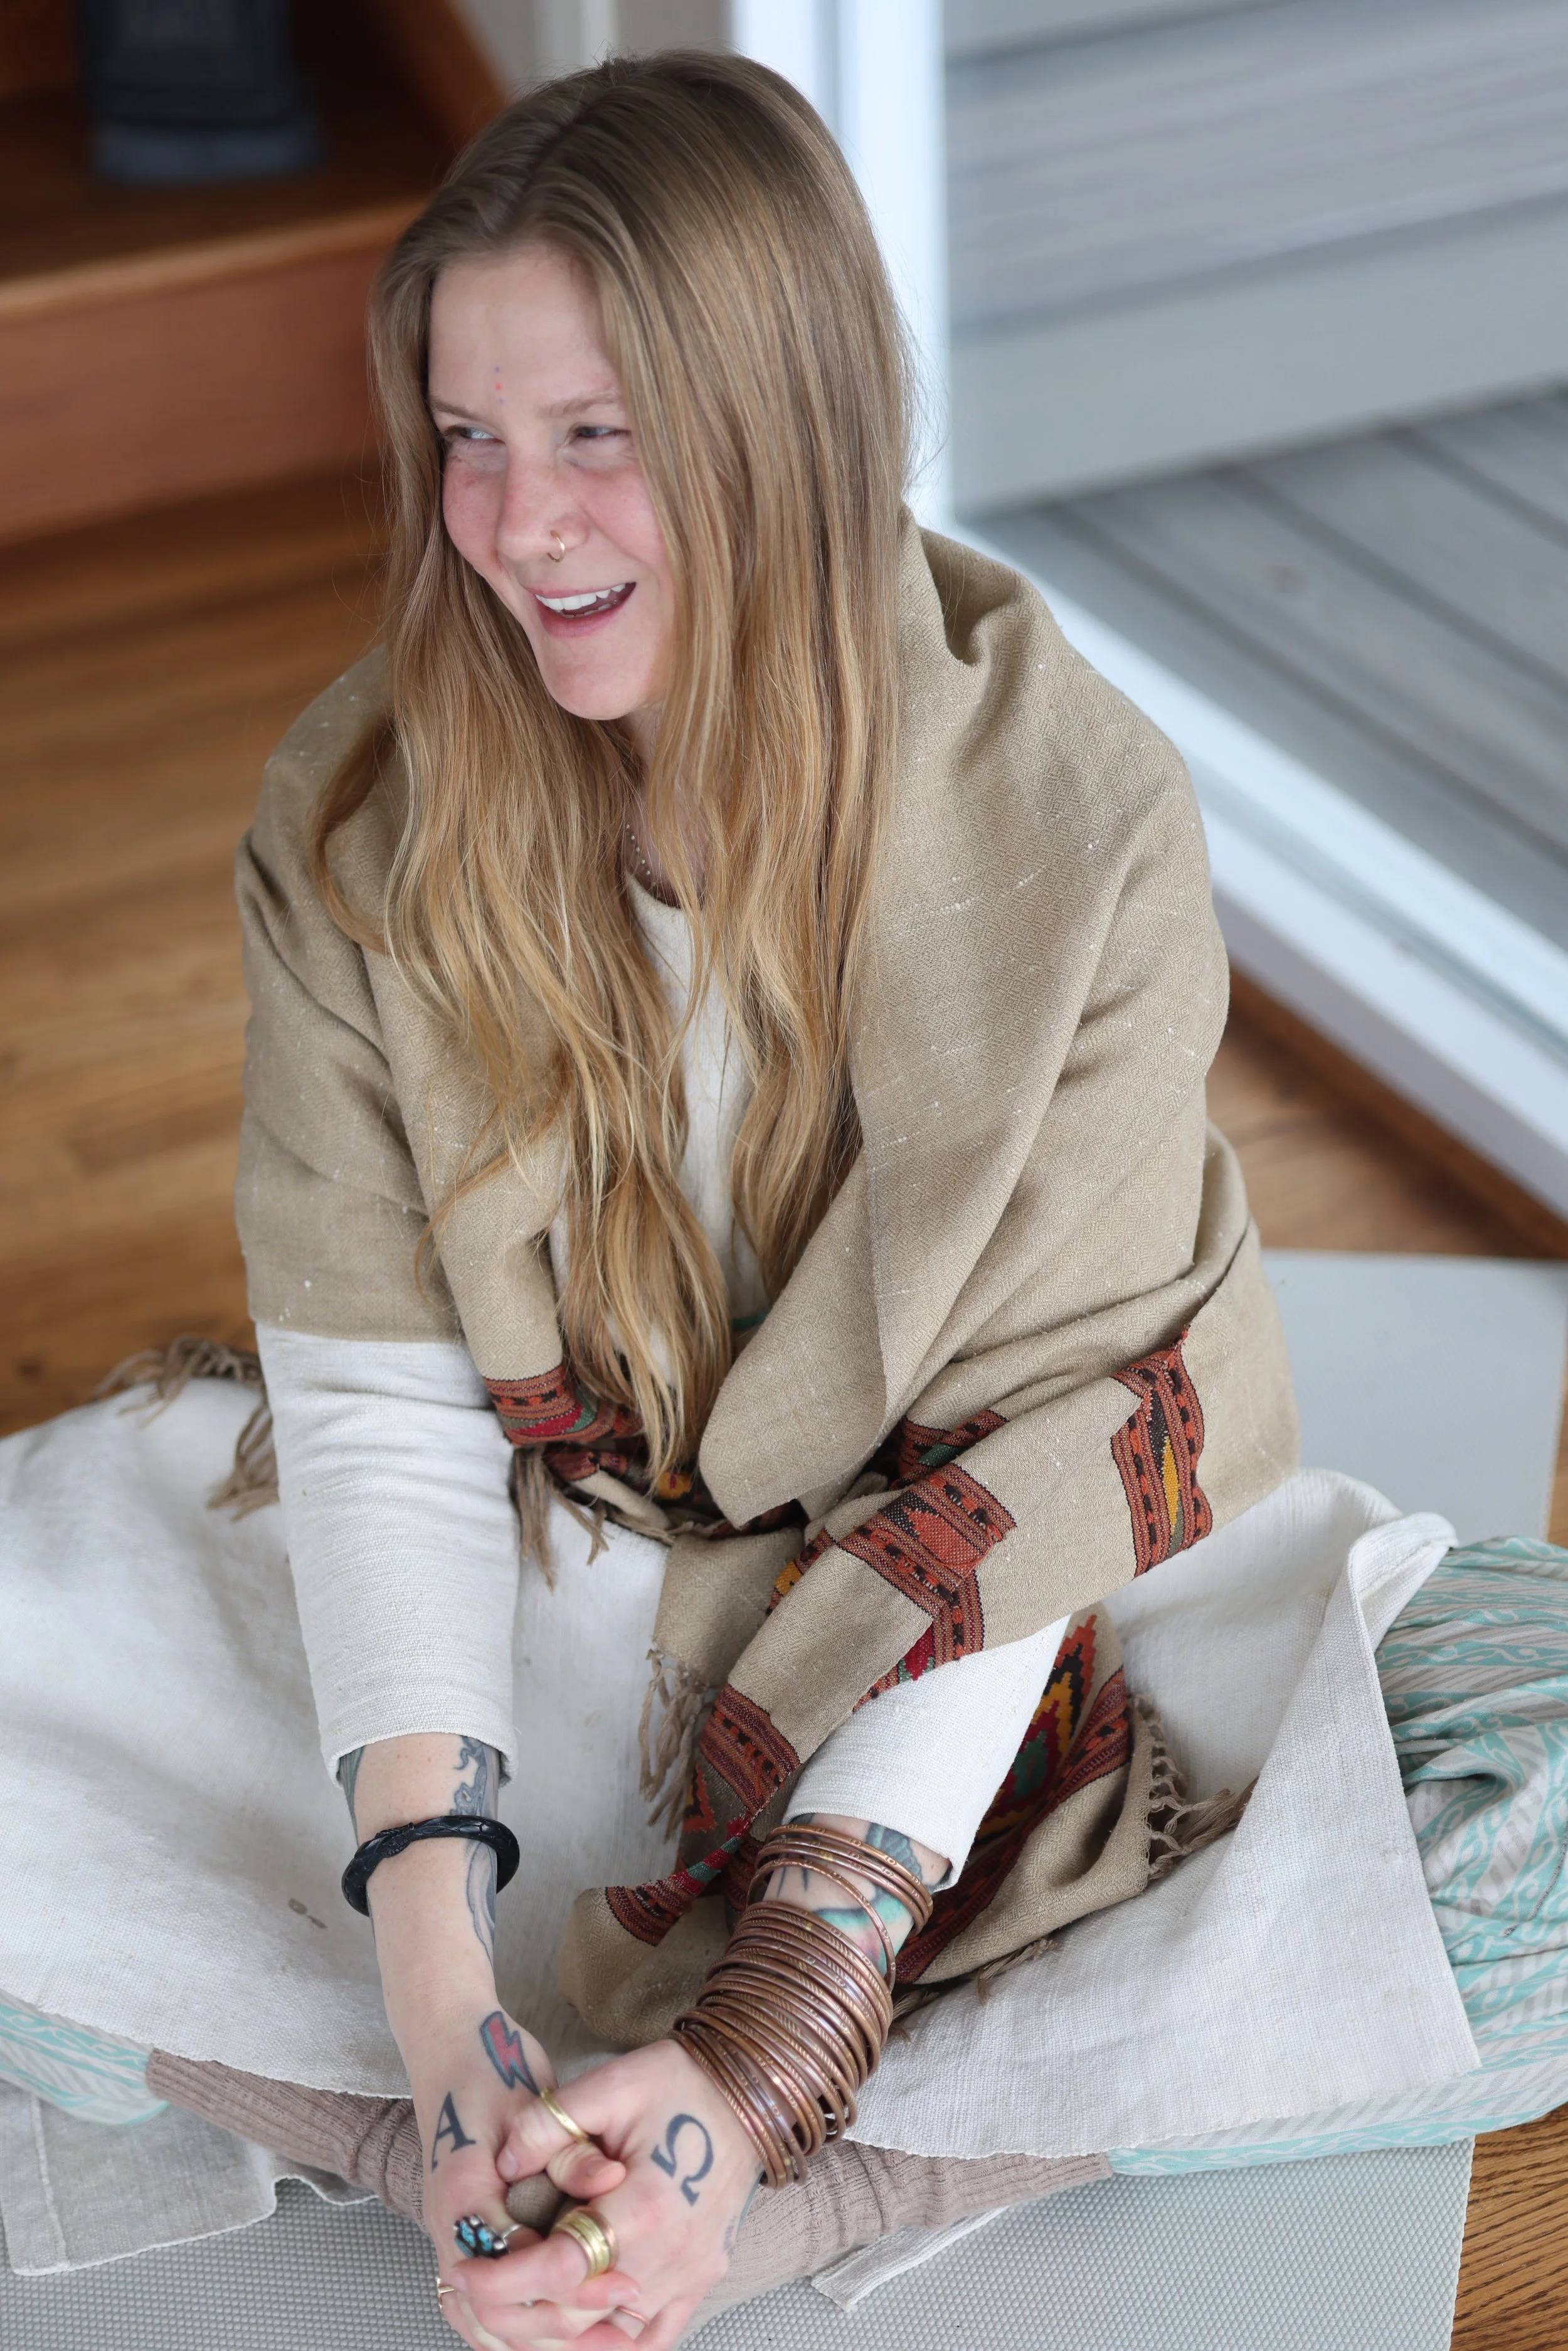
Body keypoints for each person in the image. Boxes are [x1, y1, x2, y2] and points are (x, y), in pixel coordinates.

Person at [0, 50, 1298, 2350]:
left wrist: (750, 2061)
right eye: (466, 439)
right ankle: (474, 2155)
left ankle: (755, 2199)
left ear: (782, 431)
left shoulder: (1078, 831)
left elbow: (1020, 1501)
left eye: (595, 435)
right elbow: (389, 1412)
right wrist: (430, 1975)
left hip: (936, 1615)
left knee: (1474, 1814)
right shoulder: (361, 813)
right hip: (552, 1545)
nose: (513, 524)